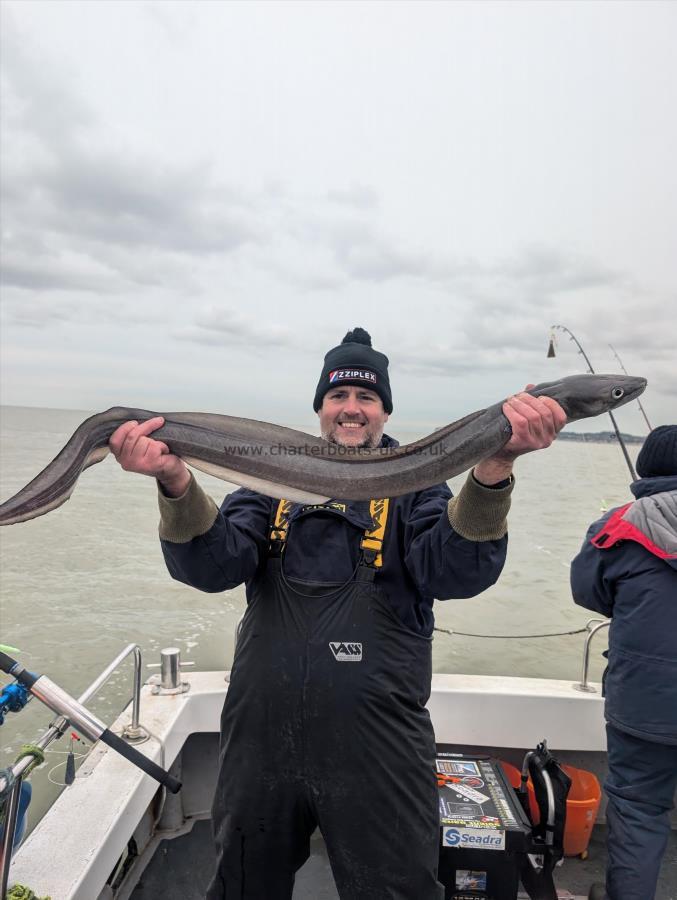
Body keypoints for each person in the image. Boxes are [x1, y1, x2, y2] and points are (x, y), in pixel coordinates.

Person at [110, 328, 566, 900]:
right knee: (242, 886)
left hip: (379, 748)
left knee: (396, 889)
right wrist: (176, 481)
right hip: (260, 740)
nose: (351, 409)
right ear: (321, 408)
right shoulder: (270, 479)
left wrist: (493, 468)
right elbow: (213, 565)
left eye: (366, 398)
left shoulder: (416, 486)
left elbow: (455, 572)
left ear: (384, 412)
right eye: (339, 396)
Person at [570, 425, 677, 900]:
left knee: (638, 809)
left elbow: (588, 591)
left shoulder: (619, 524)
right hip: (645, 702)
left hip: (645, 703)